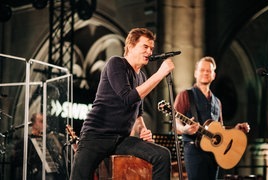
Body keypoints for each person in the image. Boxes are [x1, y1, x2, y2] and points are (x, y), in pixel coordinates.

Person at [70, 28, 174, 180]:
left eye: (151, 48)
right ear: (131, 46)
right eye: (145, 47)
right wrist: (159, 74)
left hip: (121, 140)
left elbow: (138, 114)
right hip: (96, 137)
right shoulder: (116, 63)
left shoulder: (142, 77)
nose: (150, 52)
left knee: (162, 155)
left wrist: (143, 130)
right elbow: (128, 98)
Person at [173, 56, 250, 180]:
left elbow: (220, 128)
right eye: (202, 70)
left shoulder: (217, 101)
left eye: (209, 71)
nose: (205, 73)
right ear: (195, 73)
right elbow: (175, 123)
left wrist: (234, 129)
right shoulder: (185, 95)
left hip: (215, 153)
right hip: (194, 150)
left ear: (214, 75)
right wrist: (185, 129)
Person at [12, 113, 62, 180]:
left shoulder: (48, 141)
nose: (44, 124)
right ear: (33, 124)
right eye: (41, 121)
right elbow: (16, 161)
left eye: (45, 122)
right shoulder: (25, 141)